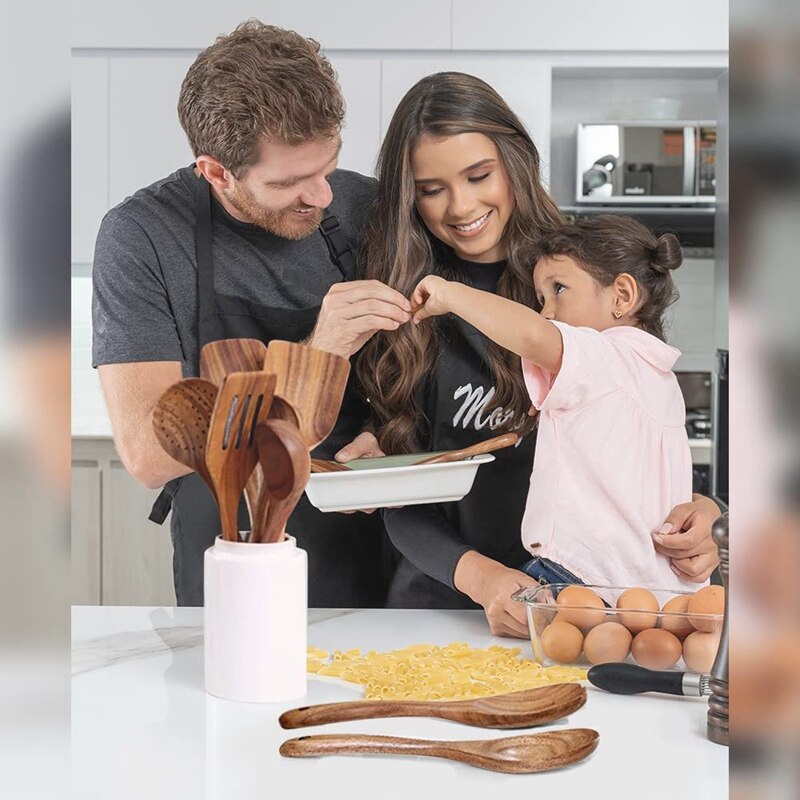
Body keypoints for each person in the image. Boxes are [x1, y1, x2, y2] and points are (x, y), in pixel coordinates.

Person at [356, 72, 721, 637]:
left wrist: (703, 512)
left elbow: (644, 433)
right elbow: (397, 495)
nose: (461, 205)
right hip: (443, 605)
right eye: (431, 189)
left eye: (479, 175)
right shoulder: (408, 300)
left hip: (585, 606)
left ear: (514, 162)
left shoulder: (585, 276)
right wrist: (486, 580)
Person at [92, 21, 411, 607]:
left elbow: (413, 376)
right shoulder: (143, 236)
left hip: (364, 527)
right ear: (216, 172)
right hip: (231, 531)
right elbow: (147, 455)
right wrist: (317, 357)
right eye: (290, 182)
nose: (321, 196)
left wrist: (388, 433)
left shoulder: (363, 204)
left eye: (328, 165)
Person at [412, 214, 701, 591]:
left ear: (622, 296)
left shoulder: (606, 356)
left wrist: (450, 294)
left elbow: (534, 336)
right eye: (540, 299)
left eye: (559, 289)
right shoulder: (656, 374)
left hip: (581, 576)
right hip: (653, 583)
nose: (547, 311)